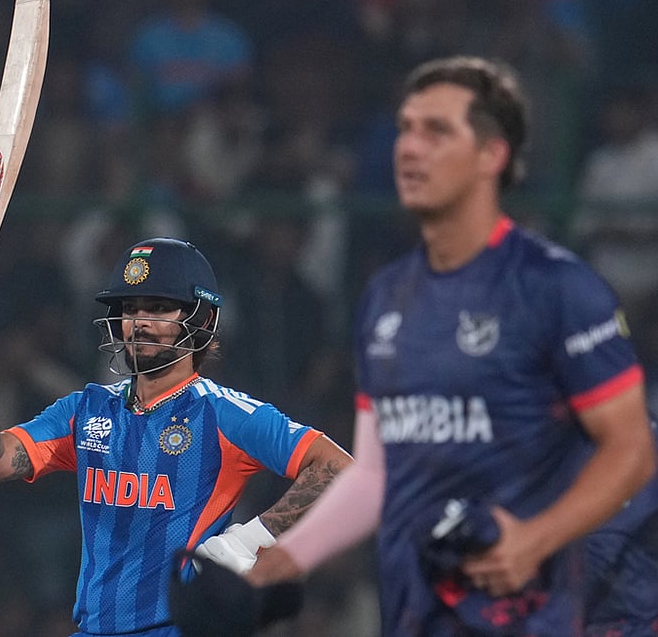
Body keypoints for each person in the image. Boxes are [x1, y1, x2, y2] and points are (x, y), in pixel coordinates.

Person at [237, 56, 658, 635]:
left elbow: (632, 450)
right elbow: (374, 475)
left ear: (492, 156)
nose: (411, 148)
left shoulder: (559, 290)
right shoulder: (386, 301)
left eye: (437, 131)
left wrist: (536, 540)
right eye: (407, 129)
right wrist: (288, 554)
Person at [0, 236, 353, 636]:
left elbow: (340, 469)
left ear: (203, 319)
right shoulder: (85, 409)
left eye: (158, 307)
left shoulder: (224, 413)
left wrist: (249, 540)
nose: (139, 321)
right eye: (129, 308)